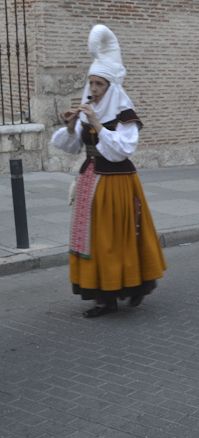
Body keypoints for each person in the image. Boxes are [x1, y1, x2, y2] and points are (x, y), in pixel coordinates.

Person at [51, 24, 166, 318]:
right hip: (91, 179)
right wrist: (70, 123)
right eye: (91, 83)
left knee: (115, 237)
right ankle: (103, 296)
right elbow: (70, 145)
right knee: (90, 236)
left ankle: (129, 286)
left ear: (111, 87)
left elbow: (123, 150)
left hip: (117, 183)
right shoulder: (89, 108)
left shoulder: (124, 114)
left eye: (99, 84)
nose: (93, 90)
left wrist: (99, 126)